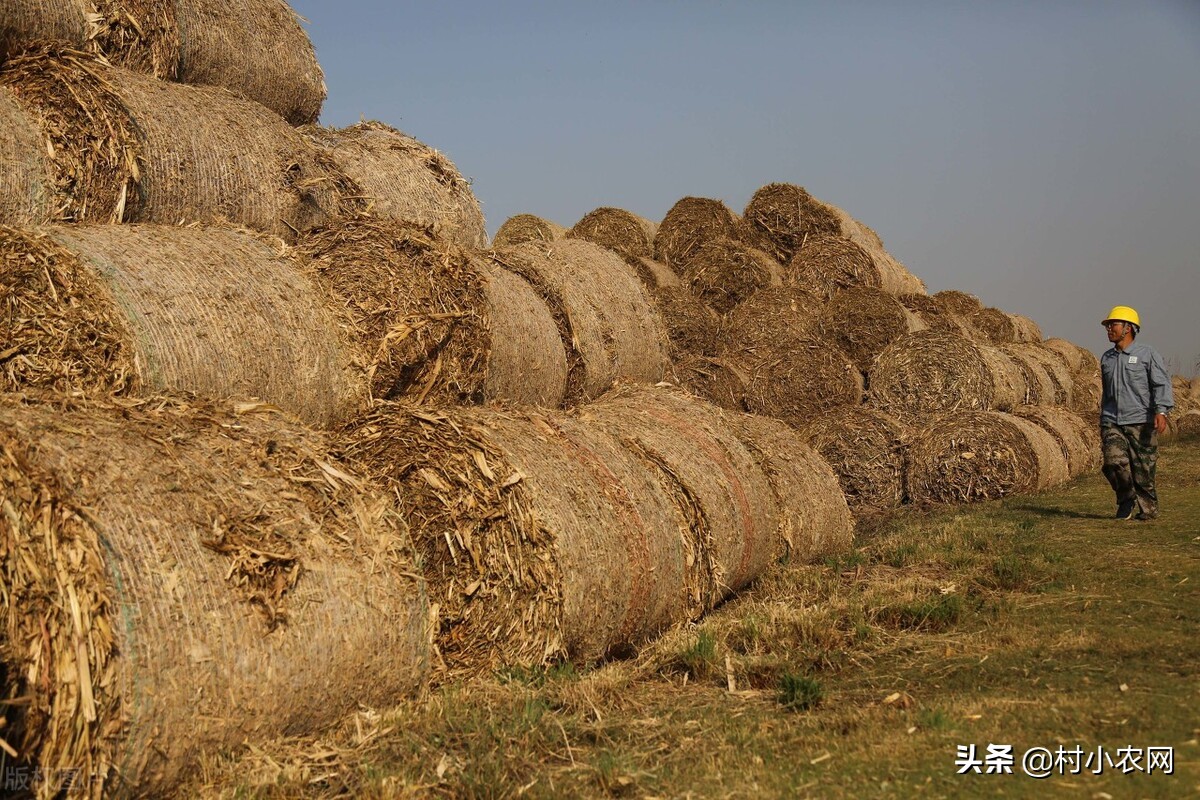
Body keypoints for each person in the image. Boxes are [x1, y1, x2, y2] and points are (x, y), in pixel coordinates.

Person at [1098, 306, 1174, 520]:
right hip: (1113, 420)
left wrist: (1161, 411)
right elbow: (1106, 391)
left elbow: (1160, 384)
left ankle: (1148, 509)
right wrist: (1103, 418)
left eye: (1113, 324)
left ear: (1128, 328)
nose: (1109, 328)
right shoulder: (1107, 358)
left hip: (1142, 421)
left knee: (1144, 472)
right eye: (1108, 325)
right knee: (1112, 462)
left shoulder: (1147, 354)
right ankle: (1125, 499)